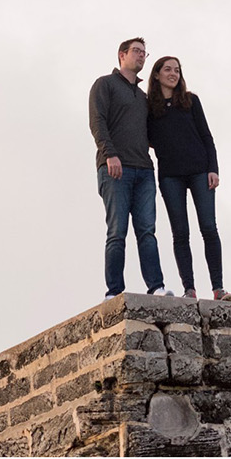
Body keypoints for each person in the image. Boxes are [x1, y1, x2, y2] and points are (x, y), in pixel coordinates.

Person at [146, 54, 231, 301]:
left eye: (177, 70)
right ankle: (190, 289)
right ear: (157, 74)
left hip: (199, 171)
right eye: (168, 69)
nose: (173, 74)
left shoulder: (190, 101)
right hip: (170, 176)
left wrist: (213, 168)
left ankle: (218, 289)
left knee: (208, 227)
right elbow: (149, 139)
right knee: (180, 233)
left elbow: (207, 137)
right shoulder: (149, 109)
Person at [88, 36, 168, 300]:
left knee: (147, 232)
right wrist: (110, 154)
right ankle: (114, 292)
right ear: (122, 55)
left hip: (144, 170)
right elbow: (97, 121)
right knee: (117, 231)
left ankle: (156, 287)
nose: (142, 56)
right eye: (136, 51)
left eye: (145, 53)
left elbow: (155, 135)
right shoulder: (105, 85)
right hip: (115, 169)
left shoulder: (144, 97)